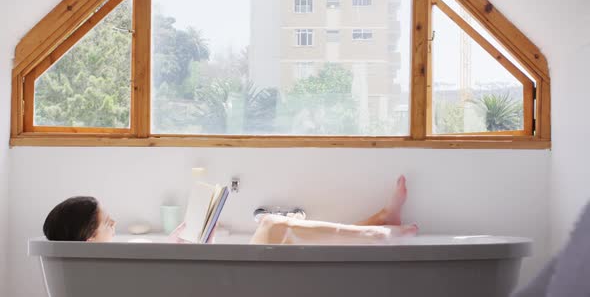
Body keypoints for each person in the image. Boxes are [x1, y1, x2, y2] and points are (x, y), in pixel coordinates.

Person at [43, 176, 417, 244]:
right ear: (88, 238)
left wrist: (181, 240)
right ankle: (379, 228)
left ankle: (378, 224)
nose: (116, 222)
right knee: (274, 226)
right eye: (108, 222)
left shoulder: (108, 261)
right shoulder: (103, 268)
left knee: (285, 230)